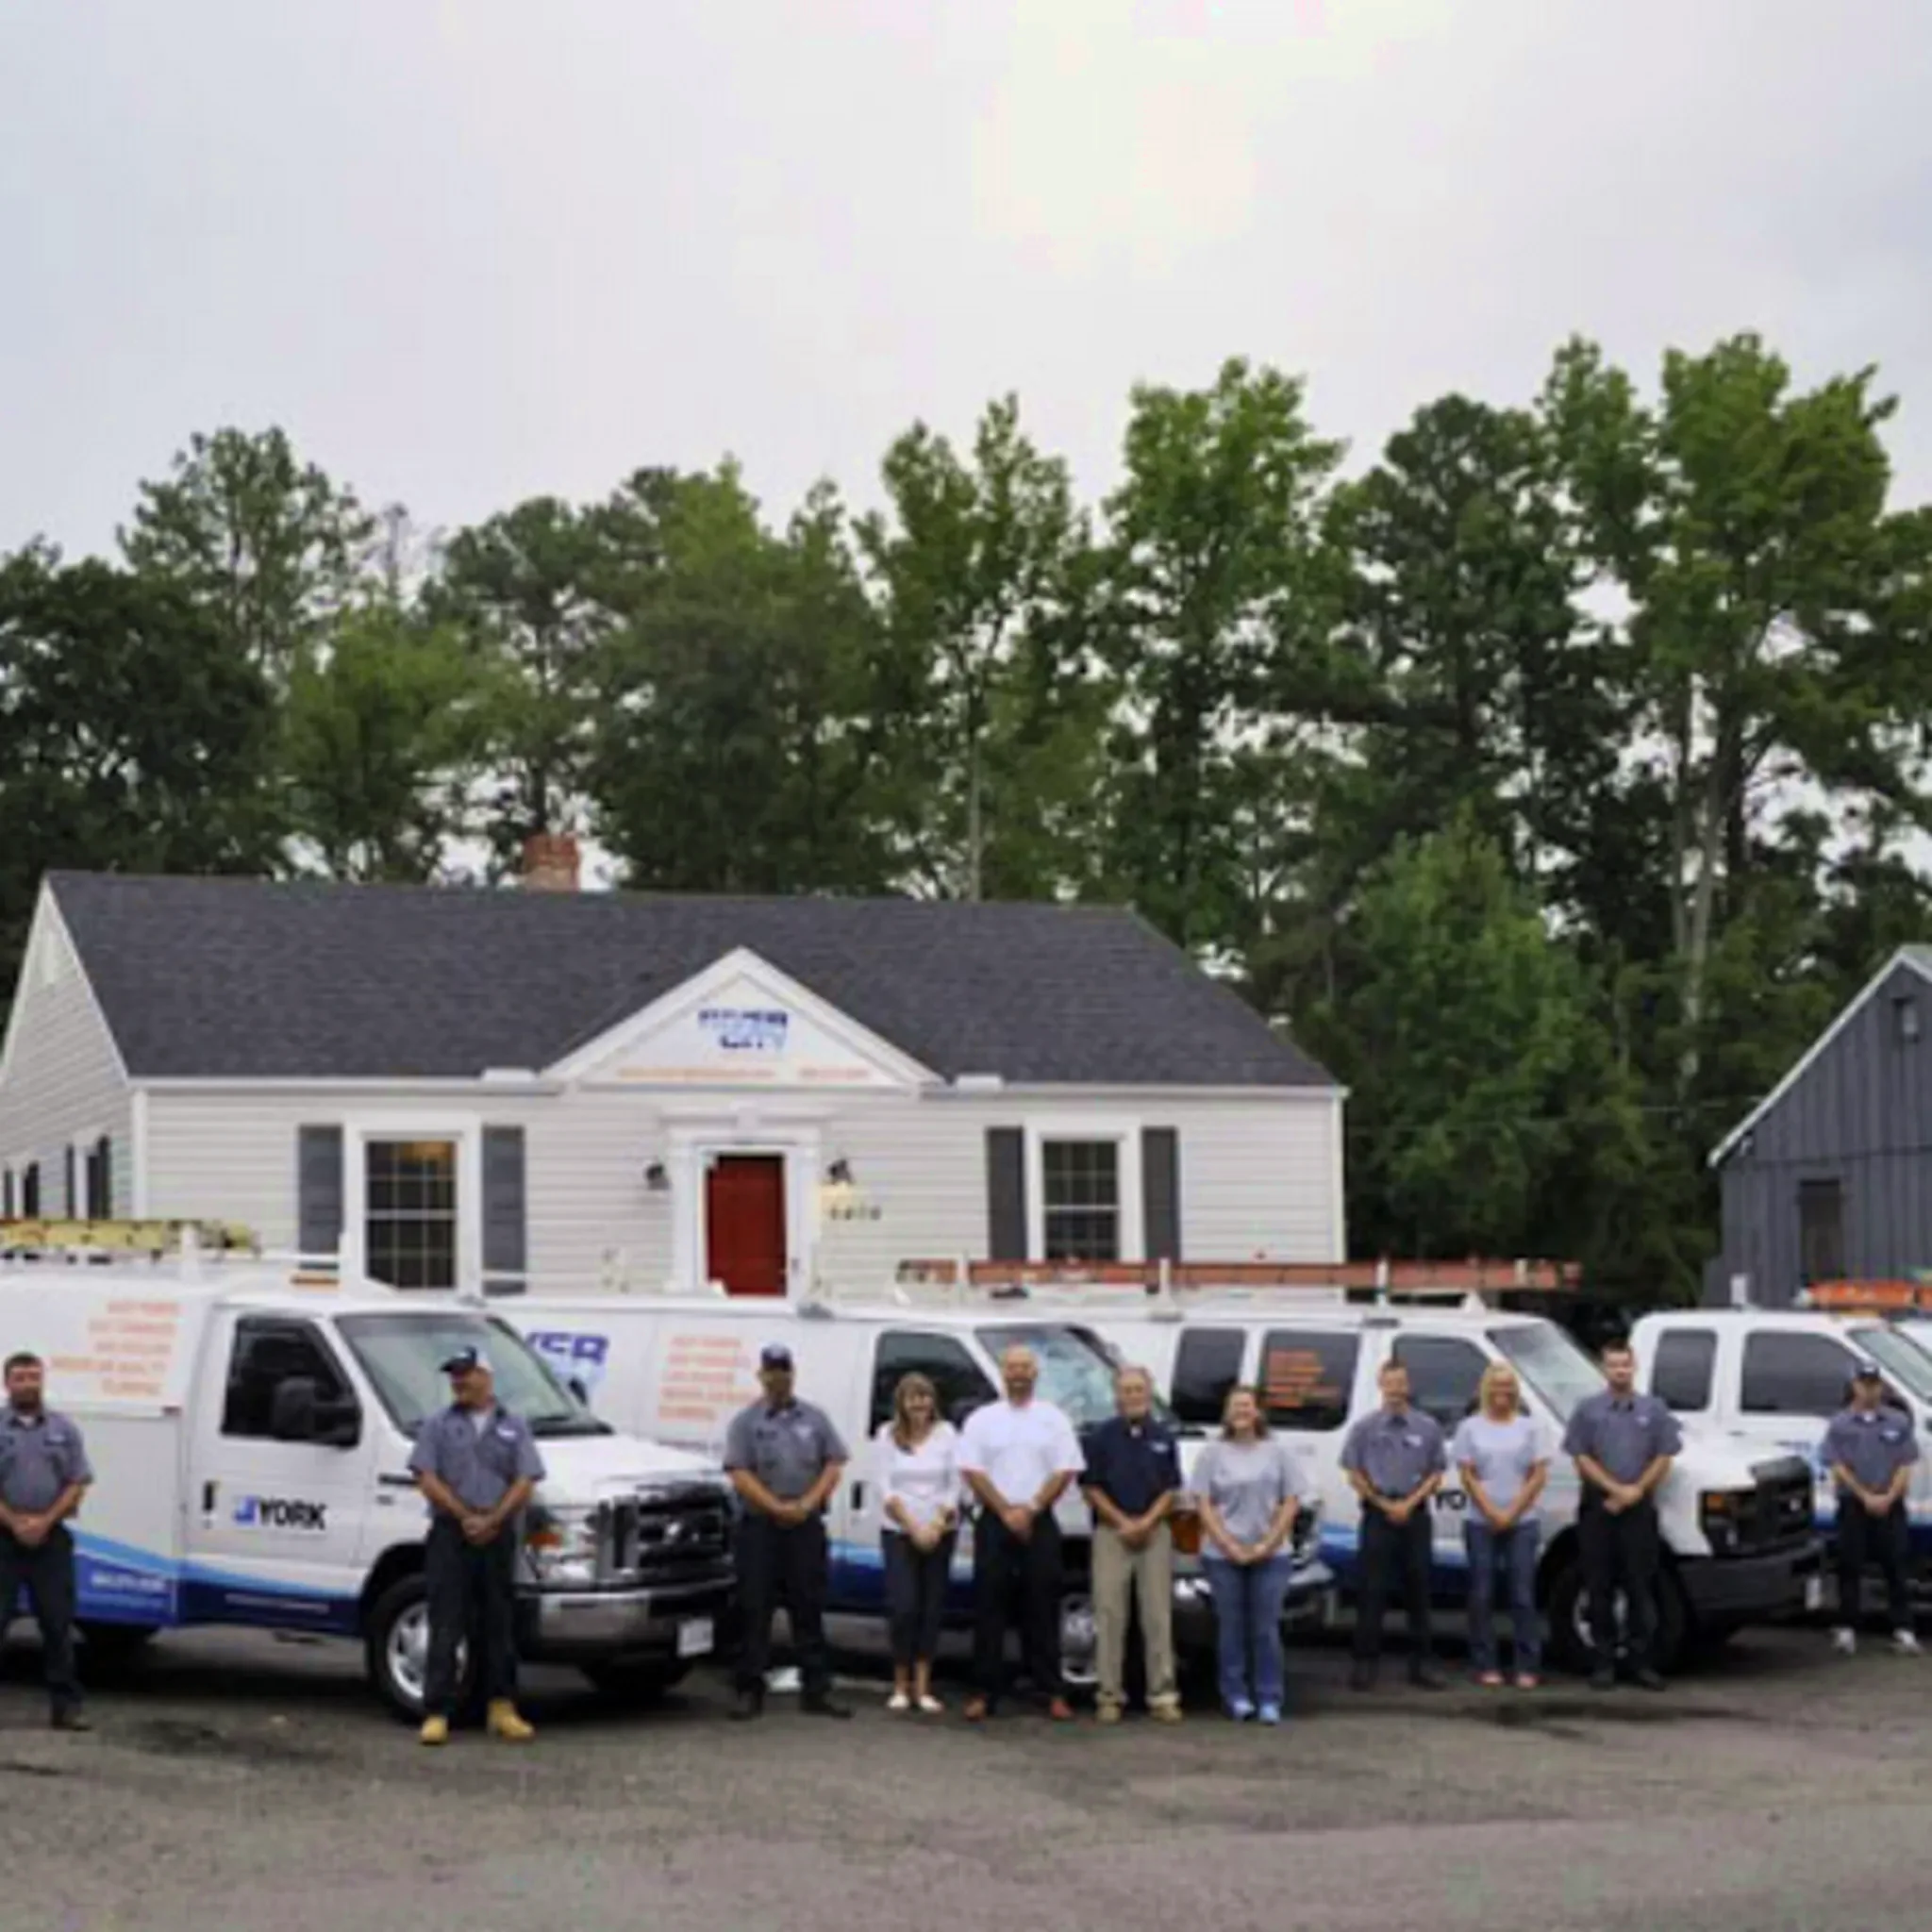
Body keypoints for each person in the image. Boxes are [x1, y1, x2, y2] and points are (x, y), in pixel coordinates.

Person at [408, 1344, 544, 1746]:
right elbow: (426, 1476)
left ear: (486, 1376)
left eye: (465, 1373)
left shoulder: (514, 1426)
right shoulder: (437, 1424)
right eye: (454, 1375)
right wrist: (464, 1515)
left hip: (498, 1534)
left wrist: (494, 1519)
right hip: (451, 1532)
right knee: (446, 1621)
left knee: (499, 1622)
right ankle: (437, 1712)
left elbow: (526, 1479)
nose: (458, 1382)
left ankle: (501, 1707)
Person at [723, 1342, 851, 1722]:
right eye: (772, 1372)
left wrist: (808, 1502)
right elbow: (739, 1473)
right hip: (760, 1527)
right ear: (761, 1376)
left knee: (809, 1607)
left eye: (784, 1371)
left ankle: (817, 1690)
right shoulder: (746, 1422)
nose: (778, 1378)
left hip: (805, 1526)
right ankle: (749, 1690)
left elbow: (834, 1463)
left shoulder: (815, 1417)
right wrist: (775, 1506)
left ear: (793, 1374)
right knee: (755, 1609)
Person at [960, 1344, 1084, 1722]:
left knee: (1042, 1606)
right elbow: (972, 1470)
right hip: (994, 1517)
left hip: (1039, 1518)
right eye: (1012, 1367)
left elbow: (1065, 1469)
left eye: (1025, 1367)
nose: (1018, 1374)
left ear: (1035, 1373)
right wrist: (1004, 1510)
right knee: (989, 1607)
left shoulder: (1054, 1419)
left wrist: (1030, 1508)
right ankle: (983, 1692)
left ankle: (1051, 1691)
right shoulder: (982, 1419)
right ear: (1003, 1373)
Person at [1562, 1339, 1680, 1691]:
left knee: (1639, 1587)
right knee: (1599, 1585)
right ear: (1604, 1369)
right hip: (1599, 1507)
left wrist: (1635, 1491)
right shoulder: (1587, 1410)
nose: (1620, 1371)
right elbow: (1580, 1456)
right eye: (1614, 1365)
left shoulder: (1654, 1410)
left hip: (1638, 1507)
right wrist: (1613, 1490)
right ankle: (1603, 1662)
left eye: (1625, 1365)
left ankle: (1640, 1662)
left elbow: (1664, 1456)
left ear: (1634, 1367)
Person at [1194, 1385, 1306, 1724]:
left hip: (1272, 1555)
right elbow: (1204, 1504)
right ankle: (1236, 1696)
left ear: (1258, 1412)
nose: (1241, 1412)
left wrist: (1266, 1545)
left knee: (1265, 1628)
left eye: (1247, 1405)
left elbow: (1291, 1502)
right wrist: (1228, 1545)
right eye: (1235, 1406)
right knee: (1231, 1627)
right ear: (1227, 1413)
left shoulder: (1279, 1452)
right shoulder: (1212, 1454)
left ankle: (1269, 1697)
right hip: (1222, 1555)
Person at [1081, 1364, 1184, 1725]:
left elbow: (1171, 1489)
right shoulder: (1100, 1437)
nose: (1133, 1396)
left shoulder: (1165, 1437)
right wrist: (1123, 1523)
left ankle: (1162, 1695)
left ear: (1149, 1393)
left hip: (1155, 1532)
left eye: (1139, 1389)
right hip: (1112, 1533)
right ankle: (1109, 1695)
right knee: (1110, 1614)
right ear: (1116, 1395)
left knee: (1157, 1615)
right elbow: (1091, 1488)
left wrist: (1147, 1522)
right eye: (1126, 1390)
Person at [0, 1351, 92, 1732]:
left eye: (33, 1377)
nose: (28, 1384)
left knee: (57, 1623)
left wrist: (44, 1521)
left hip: (50, 1538)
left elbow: (77, 1481)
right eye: (20, 1378)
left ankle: (66, 1708)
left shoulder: (63, 1429)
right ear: (7, 1383)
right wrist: (14, 1522)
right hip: (3, 1538)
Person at [1341, 1359, 1447, 1691]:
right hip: (1378, 1513)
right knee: (1372, 1591)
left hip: (1415, 1514)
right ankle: (1365, 1664)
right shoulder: (1365, 1428)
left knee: (1419, 1589)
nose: (1396, 1390)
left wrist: (1409, 1504)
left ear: (1408, 1385)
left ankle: (1422, 1665)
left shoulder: (1428, 1427)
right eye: (1390, 1383)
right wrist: (1383, 1503)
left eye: (1401, 1383)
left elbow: (1436, 1474)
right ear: (1381, 1386)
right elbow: (1354, 1473)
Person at [1451, 1361, 1550, 1689]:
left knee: (1522, 1595)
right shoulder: (1469, 1428)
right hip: (1480, 1522)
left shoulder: (1531, 1428)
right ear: (1486, 1389)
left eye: (1508, 1385)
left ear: (1515, 1390)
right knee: (1482, 1595)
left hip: (1524, 1523)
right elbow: (1468, 1475)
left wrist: (1512, 1513)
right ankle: (1485, 1664)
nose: (1502, 1391)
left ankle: (1527, 1665)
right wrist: (1492, 1511)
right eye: (1496, 1385)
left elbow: (1537, 1475)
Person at [874, 1372, 961, 1713]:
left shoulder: (947, 1434)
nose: (919, 1403)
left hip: (940, 1531)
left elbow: (955, 1484)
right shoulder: (887, 1435)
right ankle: (900, 1684)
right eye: (912, 1397)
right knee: (903, 1607)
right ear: (901, 1402)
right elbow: (885, 1488)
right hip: (898, 1531)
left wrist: (936, 1524)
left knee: (931, 1608)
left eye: (924, 1396)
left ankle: (923, 1687)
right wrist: (913, 1527)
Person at [1824, 1358, 1922, 1657]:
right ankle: (1847, 1628)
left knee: (1896, 1565)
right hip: (1854, 1502)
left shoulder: (1897, 1422)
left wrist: (1889, 1496)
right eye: (1864, 1384)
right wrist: (1864, 1495)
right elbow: (1838, 1466)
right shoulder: (1840, 1424)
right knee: (1849, 1564)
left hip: (1890, 1503)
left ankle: (1903, 1630)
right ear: (1854, 1386)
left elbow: (1905, 1463)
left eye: (1874, 1384)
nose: (1870, 1390)